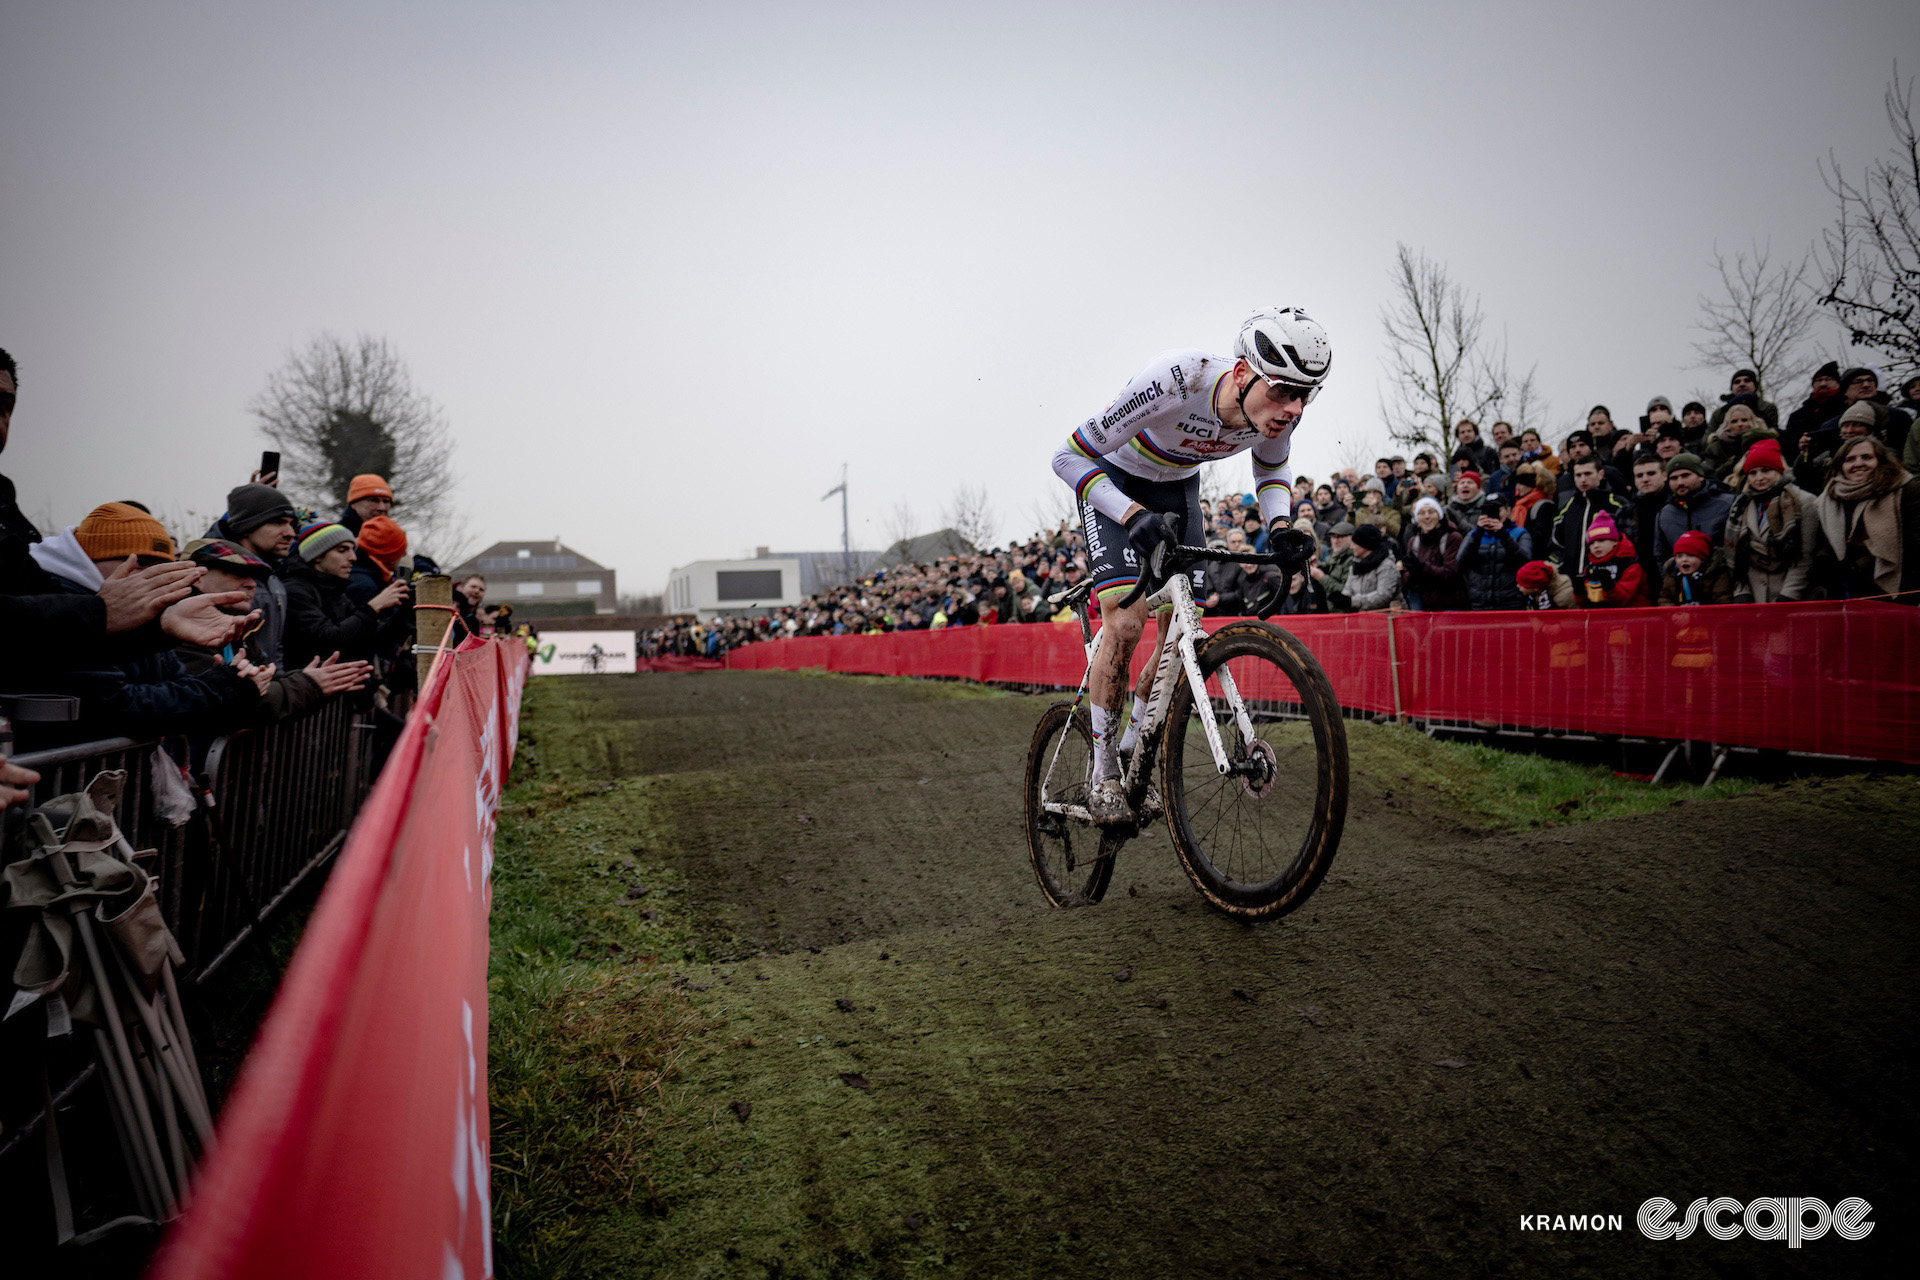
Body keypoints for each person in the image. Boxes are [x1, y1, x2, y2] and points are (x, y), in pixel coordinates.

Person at [1047, 307, 1328, 823]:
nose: (1292, 407)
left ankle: (1132, 750)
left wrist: (1282, 527)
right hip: (1116, 481)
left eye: (1305, 394)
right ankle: (1102, 772)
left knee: (1180, 638)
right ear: (1242, 373)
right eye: (1283, 390)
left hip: (1178, 489)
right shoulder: (1179, 379)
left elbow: (1271, 464)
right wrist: (1130, 514)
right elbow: (1067, 457)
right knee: (1127, 625)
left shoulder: (1271, 413)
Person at [282, 522, 413, 667]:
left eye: (353, 550)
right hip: (309, 685)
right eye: (342, 550)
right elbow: (328, 640)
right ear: (317, 555)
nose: (353, 558)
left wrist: (405, 609)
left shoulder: (336, 591)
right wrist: (373, 607)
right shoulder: (295, 591)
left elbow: (377, 639)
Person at [1808, 436, 1920, 602]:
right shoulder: (1829, 499)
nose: (1858, 463)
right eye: (1850, 459)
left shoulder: (1905, 489)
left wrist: (1864, 564)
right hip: (1847, 592)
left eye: (1867, 457)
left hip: (1897, 592)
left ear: (1881, 461)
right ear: (1841, 466)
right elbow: (1824, 544)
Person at [1726, 438, 1814, 603]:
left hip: (1794, 598)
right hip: (1754, 598)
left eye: (1766, 470)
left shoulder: (1804, 502)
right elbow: (1734, 554)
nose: (1759, 478)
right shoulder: (1740, 505)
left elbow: (1805, 557)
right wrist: (1741, 592)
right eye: (1752, 473)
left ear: (1778, 471)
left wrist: (1788, 596)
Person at [1549, 457, 1627, 573]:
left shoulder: (1617, 504)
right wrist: (1561, 565)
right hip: (1572, 580)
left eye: (1588, 474)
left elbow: (1627, 543)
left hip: (1607, 579)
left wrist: (1611, 570)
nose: (1583, 479)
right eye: (1578, 475)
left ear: (1600, 474)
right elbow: (1555, 544)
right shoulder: (1567, 507)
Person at [1653, 453, 1735, 563]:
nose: (1680, 482)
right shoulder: (1665, 514)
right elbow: (1661, 555)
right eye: (1674, 478)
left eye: (1685, 475)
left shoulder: (1727, 504)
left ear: (1700, 476)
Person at [1458, 494, 1532, 610]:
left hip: (1511, 601)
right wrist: (1478, 533)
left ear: (1508, 510)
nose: (1493, 514)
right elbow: (1460, 562)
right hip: (1479, 602)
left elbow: (1525, 560)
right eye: (1487, 510)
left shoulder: (1519, 533)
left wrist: (1503, 534)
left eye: (1498, 509)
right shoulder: (1473, 535)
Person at [1400, 497, 1466, 611]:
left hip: (1449, 602)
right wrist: (1407, 570)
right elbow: (1408, 579)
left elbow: (1451, 573)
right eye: (1421, 513)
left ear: (1439, 515)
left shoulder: (1453, 537)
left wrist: (1422, 567)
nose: (1427, 516)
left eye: (1431, 512)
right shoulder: (1413, 541)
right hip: (1423, 602)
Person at [1571, 513, 1649, 608]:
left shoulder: (1631, 566)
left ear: (1615, 542)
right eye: (1592, 543)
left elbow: (1622, 600)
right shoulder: (1591, 567)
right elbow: (1585, 605)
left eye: (1601, 540)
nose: (1596, 546)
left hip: (1633, 617)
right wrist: (1579, 593)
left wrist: (1609, 585)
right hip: (1602, 618)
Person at [1328, 523, 1401, 611]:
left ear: (1366, 545)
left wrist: (1352, 602)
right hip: (1363, 618)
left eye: (1354, 544)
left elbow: (1383, 596)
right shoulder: (1355, 564)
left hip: (1387, 618)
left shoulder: (1386, 565)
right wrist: (1342, 599)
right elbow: (1348, 590)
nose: (1351, 547)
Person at [1781, 362, 1844, 462]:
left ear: (1838, 383)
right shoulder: (1797, 416)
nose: (1823, 384)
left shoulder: (1845, 409)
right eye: (1819, 380)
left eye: (1828, 379)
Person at [1658, 531, 1736, 605]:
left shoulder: (1716, 574)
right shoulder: (1672, 575)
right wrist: (1673, 614)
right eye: (1679, 556)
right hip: (1679, 617)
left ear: (1702, 559)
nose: (1684, 559)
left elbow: (1722, 599)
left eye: (1690, 555)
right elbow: (1665, 599)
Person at [1626, 450, 1669, 582]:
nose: (1645, 479)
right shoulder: (1626, 512)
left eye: (1651, 473)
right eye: (1639, 475)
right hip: (1642, 580)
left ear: (1664, 476)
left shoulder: (1678, 506)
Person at [1707, 368, 1779, 436]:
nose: (1742, 384)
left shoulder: (1767, 407)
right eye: (1737, 382)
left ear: (1755, 386)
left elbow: (1774, 432)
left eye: (1747, 380)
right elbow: (1707, 438)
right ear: (1732, 389)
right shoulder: (1719, 413)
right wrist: (1718, 437)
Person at [1510, 462, 1557, 553]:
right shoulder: (1520, 505)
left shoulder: (1545, 507)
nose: (1517, 487)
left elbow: (1541, 539)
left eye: (1521, 483)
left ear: (1532, 484)